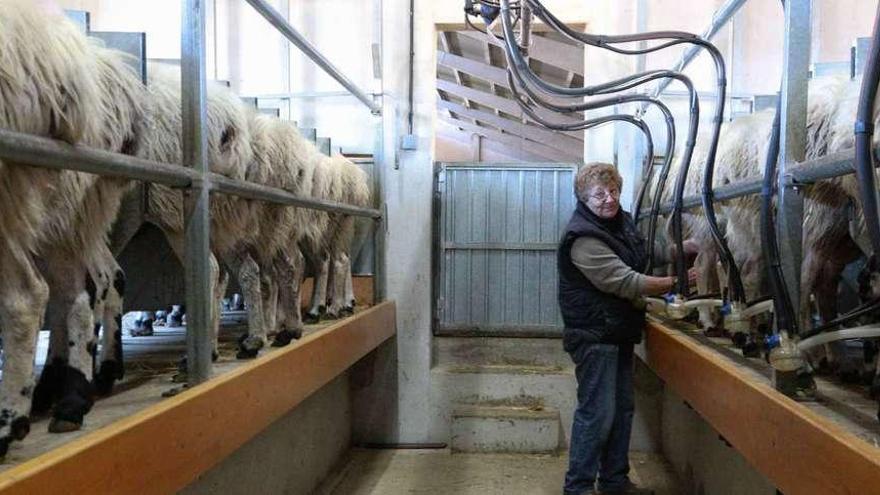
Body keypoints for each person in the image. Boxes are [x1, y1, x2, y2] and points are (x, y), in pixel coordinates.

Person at [558, 163, 697, 495]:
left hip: (617, 331)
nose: (609, 199)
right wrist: (676, 282)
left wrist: (682, 250)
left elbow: (642, 252)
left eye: (613, 191)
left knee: (621, 409)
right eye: (599, 194)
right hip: (594, 334)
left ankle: (614, 481)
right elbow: (625, 280)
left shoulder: (621, 220)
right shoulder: (582, 237)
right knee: (597, 413)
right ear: (583, 197)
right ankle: (577, 487)